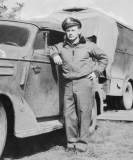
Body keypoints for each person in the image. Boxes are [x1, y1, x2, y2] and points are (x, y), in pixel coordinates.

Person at [47, 17, 108, 152]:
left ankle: (81, 143)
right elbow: (50, 48)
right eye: (68, 30)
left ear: (79, 30)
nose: (70, 33)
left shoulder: (89, 45)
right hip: (68, 83)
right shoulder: (61, 46)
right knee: (69, 114)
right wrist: (55, 54)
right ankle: (71, 142)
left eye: (73, 30)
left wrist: (97, 72)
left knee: (84, 113)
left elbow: (104, 58)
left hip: (84, 82)